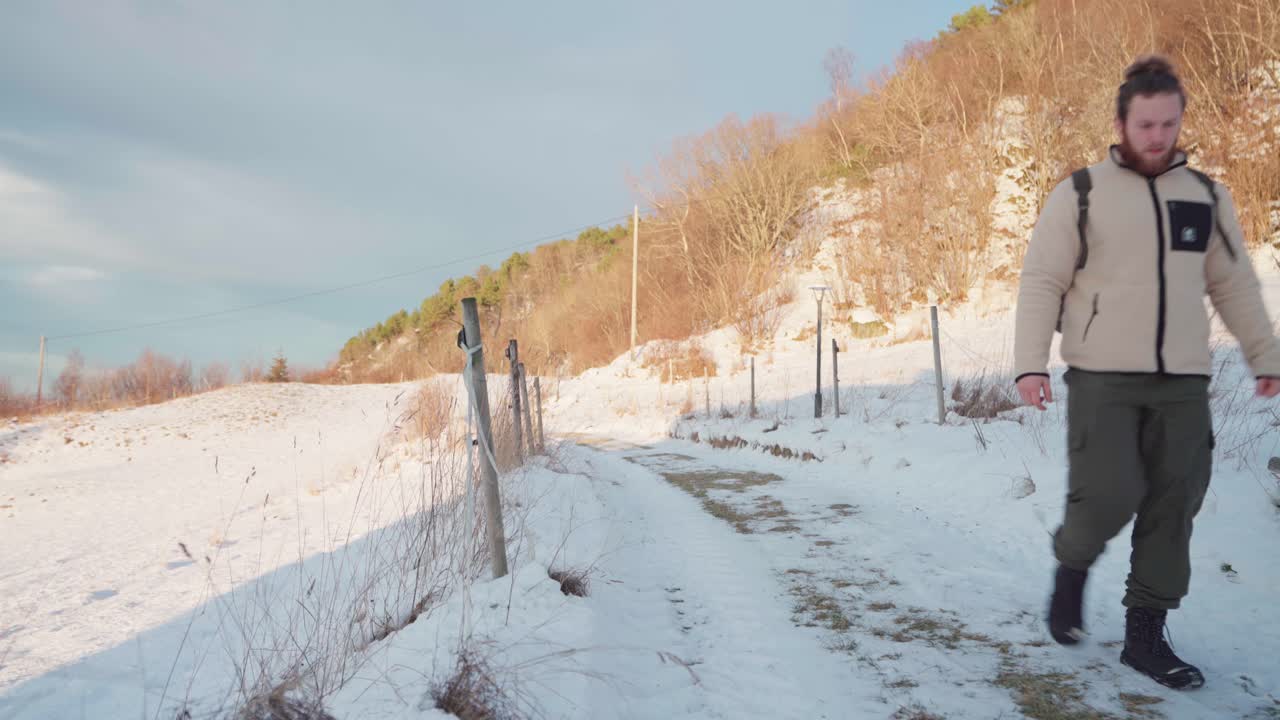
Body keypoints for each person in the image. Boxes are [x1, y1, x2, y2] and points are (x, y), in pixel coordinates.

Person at [1012, 54, 1280, 690]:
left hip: (1184, 380)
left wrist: (1263, 355)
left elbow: (1233, 283)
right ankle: (1072, 570)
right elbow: (1042, 279)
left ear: (1181, 119)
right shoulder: (1080, 193)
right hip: (1102, 375)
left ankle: (1145, 634)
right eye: (1145, 124)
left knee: (1174, 501)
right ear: (1121, 123)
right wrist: (1030, 365)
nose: (1158, 136)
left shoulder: (1207, 198)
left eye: (1168, 123)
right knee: (1108, 493)